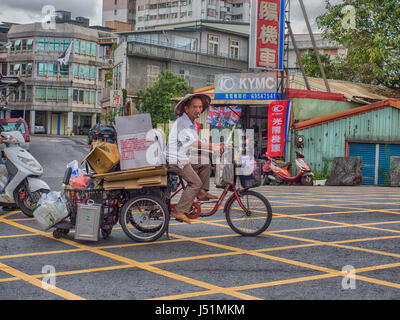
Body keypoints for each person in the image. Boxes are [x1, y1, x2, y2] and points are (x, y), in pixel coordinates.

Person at [166, 93, 224, 224]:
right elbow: (194, 143)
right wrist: (213, 147)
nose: (198, 110)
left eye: (200, 107)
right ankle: (178, 210)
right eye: (194, 107)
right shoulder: (183, 122)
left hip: (183, 157)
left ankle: (201, 193)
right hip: (176, 161)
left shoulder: (191, 122)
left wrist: (213, 145)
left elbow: (196, 141)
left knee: (205, 162)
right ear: (186, 109)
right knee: (195, 183)